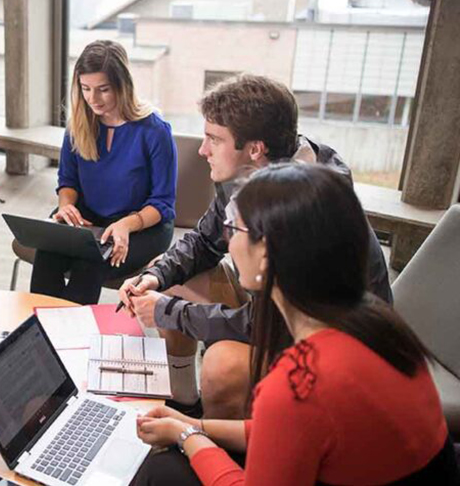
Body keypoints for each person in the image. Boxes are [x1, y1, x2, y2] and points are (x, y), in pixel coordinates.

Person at [131, 163, 456, 485]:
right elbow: (286, 429)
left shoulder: (297, 383)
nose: (228, 242)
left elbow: (288, 417)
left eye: (235, 229)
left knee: (162, 471)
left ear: (267, 255)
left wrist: (187, 435)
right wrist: (194, 425)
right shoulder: (374, 321)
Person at [118, 74, 392, 419]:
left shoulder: (305, 210)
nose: (202, 151)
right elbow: (204, 241)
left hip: (330, 347)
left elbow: (265, 322)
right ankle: (184, 402)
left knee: (222, 366)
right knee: (170, 275)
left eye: (213, 140)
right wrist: (155, 277)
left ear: (255, 149)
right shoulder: (246, 173)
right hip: (277, 311)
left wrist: (165, 311)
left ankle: (222, 447)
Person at [29, 40, 177, 305]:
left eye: (103, 89)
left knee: (90, 260)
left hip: (143, 225)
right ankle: (38, 331)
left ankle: (76, 338)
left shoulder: (154, 131)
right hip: (91, 218)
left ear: (123, 85)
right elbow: (68, 181)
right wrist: (66, 206)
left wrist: (125, 225)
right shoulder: (79, 124)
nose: (92, 99)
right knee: (47, 253)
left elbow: (163, 204)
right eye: (85, 89)